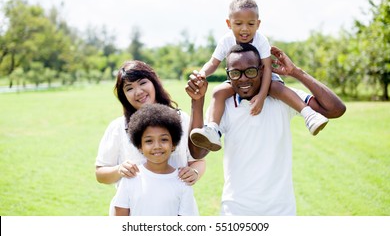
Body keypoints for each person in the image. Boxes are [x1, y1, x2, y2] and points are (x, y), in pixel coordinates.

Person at [186, 44, 346, 215]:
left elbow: (335, 109)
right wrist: (198, 101)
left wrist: (296, 72)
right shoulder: (224, 104)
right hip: (235, 211)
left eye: (251, 71)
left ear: (263, 70)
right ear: (228, 74)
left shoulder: (284, 97)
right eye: (235, 73)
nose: (243, 79)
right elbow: (197, 152)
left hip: (281, 211)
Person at [190, 0, 329, 151]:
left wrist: (262, 97)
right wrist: (202, 73)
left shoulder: (261, 40)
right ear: (229, 24)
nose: (244, 29)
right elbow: (213, 63)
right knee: (218, 92)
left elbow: (267, 69)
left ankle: (309, 115)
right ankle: (213, 130)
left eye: (250, 24)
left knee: (276, 87)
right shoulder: (226, 41)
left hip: (264, 77)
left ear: (258, 24)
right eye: (238, 24)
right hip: (240, 78)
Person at [95, 60, 205, 215]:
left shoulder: (182, 119)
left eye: (142, 83)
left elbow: (198, 160)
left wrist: (194, 173)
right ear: (124, 96)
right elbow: (100, 173)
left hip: (175, 208)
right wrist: (119, 170)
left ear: (154, 83)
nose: (138, 91)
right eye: (129, 88)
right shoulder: (118, 127)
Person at [112, 103, 199, 216]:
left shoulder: (182, 181)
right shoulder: (130, 179)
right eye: (149, 141)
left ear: (173, 144)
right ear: (140, 146)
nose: (157, 146)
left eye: (164, 139)